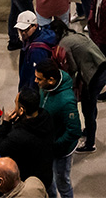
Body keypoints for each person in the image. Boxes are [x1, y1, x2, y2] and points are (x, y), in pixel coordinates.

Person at [49, 18, 106, 154]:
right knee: (91, 106)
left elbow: (73, 67)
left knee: (88, 109)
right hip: (102, 69)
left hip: (94, 77)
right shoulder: (74, 35)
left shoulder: (64, 44)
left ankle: (90, 143)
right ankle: (88, 130)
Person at [0, 88, 55, 195]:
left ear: (21, 110)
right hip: (46, 175)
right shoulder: (46, 117)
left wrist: (6, 123)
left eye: (16, 103)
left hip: (30, 184)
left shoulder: (18, 136)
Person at [36, 59, 80, 198]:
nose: (36, 81)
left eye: (39, 79)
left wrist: (54, 146)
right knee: (48, 179)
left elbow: (74, 131)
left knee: (63, 183)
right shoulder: (47, 87)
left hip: (61, 151)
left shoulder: (66, 101)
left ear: (51, 80)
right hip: (47, 144)